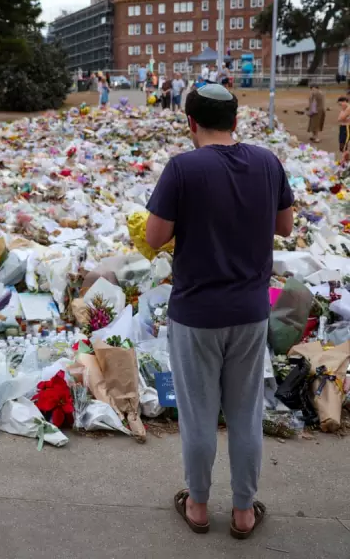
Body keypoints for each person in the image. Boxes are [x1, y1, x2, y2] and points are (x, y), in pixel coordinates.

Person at [145, 84, 293, 540]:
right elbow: (285, 226)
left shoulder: (182, 168)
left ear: (191, 122)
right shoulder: (267, 162)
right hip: (250, 311)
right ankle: (244, 512)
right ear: (235, 121)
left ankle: (198, 506)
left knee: (199, 414)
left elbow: (154, 237)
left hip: (196, 312)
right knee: (246, 413)